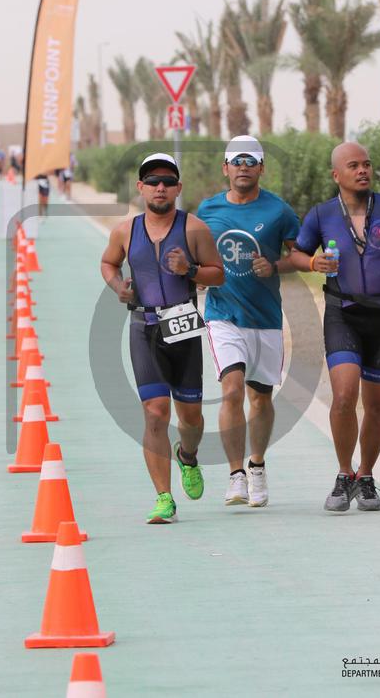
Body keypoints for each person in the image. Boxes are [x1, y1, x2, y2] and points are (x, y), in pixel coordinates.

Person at [291, 142, 380, 512]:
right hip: (342, 313)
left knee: (377, 404)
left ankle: (366, 476)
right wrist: (313, 263)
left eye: (366, 164)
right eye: (353, 165)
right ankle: (344, 473)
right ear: (337, 174)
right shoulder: (321, 214)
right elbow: (296, 254)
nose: (363, 170)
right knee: (344, 395)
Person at [101, 153, 224, 524]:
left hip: (182, 324)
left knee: (191, 418)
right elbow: (108, 262)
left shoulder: (194, 229)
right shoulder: (125, 231)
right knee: (155, 412)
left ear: (178, 188)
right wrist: (118, 286)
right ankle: (164, 498)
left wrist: (190, 270)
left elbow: (218, 274)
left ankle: (187, 455)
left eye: (168, 182)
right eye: (152, 181)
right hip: (144, 325)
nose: (160, 187)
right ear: (140, 187)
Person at [197, 135, 300, 508]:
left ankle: (257, 465)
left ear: (261, 168)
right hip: (223, 315)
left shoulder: (279, 211)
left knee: (260, 398)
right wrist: (196, 274)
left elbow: (300, 256)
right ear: (225, 168)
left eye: (250, 161)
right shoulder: (206, 210)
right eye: (236, 161)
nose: (243, 167)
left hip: (265, 318)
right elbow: (197, 255)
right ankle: (236, 474)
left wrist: (275, 266)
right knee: (231, 390)